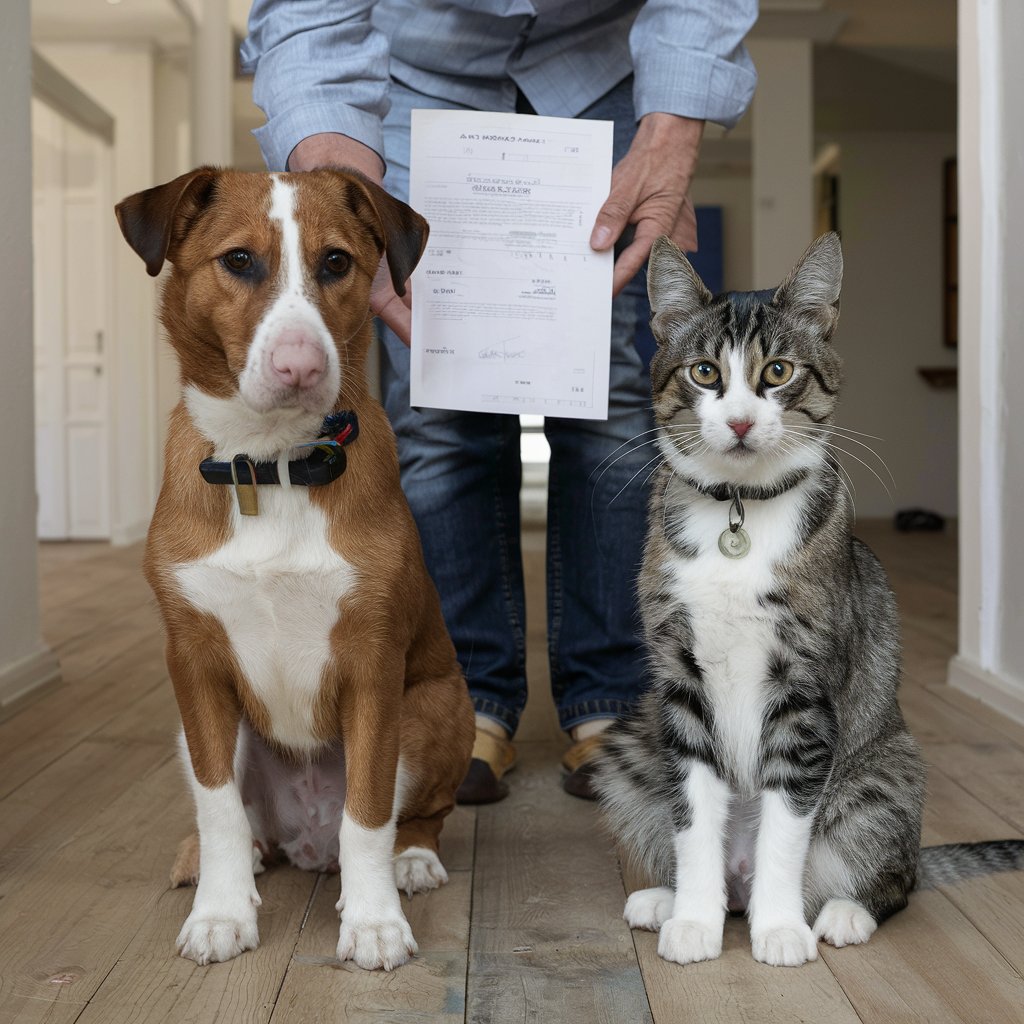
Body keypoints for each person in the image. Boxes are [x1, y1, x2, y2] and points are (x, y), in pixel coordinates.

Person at [242, 0, 758, 803]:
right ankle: (466, 694)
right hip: (411, 83)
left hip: (609, 75)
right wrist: (341, 190)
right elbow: (309, 15)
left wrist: (673, 128)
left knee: (613, 402)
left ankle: (614, 700)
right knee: (436, 404)